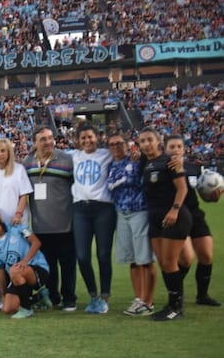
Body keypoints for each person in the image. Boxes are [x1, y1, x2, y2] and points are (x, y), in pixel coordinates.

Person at [138, 127, 191, 321]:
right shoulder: (145, 162)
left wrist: (175, 209)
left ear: (158, 140)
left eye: (149, 140)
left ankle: (177, 307)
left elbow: (182, 188)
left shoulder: (170, 160)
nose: (146, 144)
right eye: (142, 141)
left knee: (170, 262)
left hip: (174, 217)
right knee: (164, 263)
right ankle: (171, 304)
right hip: (155, 219)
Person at [23, 125, 77, 311]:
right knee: (50, 267)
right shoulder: (27, 163)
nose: (48, 142)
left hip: (65, 224)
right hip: (40, 226)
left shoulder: (67, 160)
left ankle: (69, 299)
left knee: (68, 265)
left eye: (50, 138)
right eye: (43, 139)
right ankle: (54, 298)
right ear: (34, 143)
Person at [166, 135, 219, 307]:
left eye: (179, 146)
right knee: (186, 259)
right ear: (165, 149)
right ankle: (175, 294)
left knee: (206, 255)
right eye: (172, 146)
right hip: (178, 217)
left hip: (195, 214)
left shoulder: (193, 168)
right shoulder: (164, 169)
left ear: (184, 149)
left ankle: (202, 296)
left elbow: (203, 195)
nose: (175, 150)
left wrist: (212, 198)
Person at [106, 133, 157, 316]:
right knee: (133, 260)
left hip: (139, 211)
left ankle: (148, 302)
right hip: (121, 213)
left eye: (119, 143)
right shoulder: (111, 165)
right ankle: (138, 299)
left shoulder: (137, 161)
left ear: (127, 145)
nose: (115, 147)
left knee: (145, 259)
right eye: (112, 144)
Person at [69, 123, 116, 314]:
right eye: (83, 138)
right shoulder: (73, 156)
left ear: (97, 137)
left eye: (90, 137)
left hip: (103, 208)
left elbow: (125, 154)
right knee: (82, 256)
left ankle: (104, 296)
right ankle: (93, 295)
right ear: (78, 141)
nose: (87, 141)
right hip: (80, 209)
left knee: (104, 254)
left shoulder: (107, 154)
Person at [0, 206, 51, 319]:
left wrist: (25, 261)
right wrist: (4, 293)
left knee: (15, 269)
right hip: (17, 277)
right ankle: (39, 297)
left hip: (37, 269)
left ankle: (26, 309)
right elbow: (0, 271)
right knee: (7, 309)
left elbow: (36, 242)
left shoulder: (17, 228)